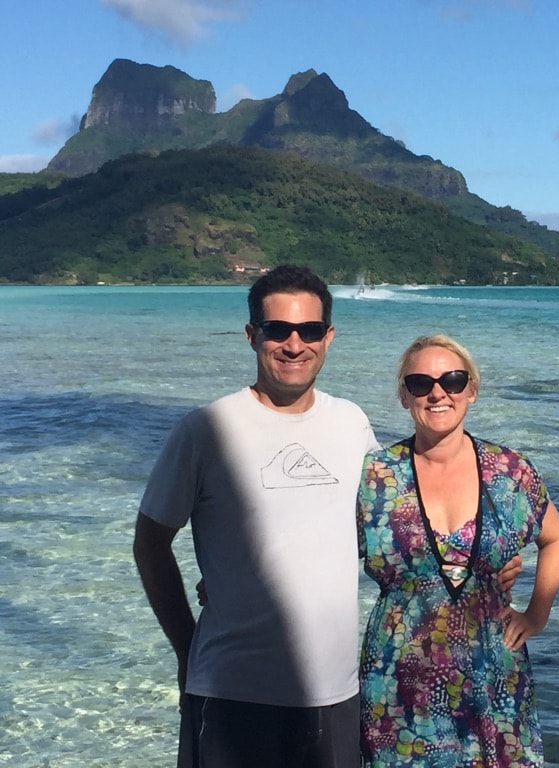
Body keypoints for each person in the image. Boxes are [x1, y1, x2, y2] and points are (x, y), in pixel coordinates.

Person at [132, 265, 378, 768]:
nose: (294, 344)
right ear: (252, 335)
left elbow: (387, 527)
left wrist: (486, 563)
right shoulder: (207, 429)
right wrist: (185, 646)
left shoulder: (351, 423)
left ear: (328, 337)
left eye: (309, 330)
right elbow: (150, 542)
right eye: (277, 330)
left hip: (335, 693)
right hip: (230, 692)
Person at [358, 334, 559, 767]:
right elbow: (313, 542)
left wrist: (537, 614)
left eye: (452, 380)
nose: (438, 392)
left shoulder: (509, 471)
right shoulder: (376, 474)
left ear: (471, 389)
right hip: (400, 681)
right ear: (405, 396)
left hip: (494, 672)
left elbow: (556, 539)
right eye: (420, 383)